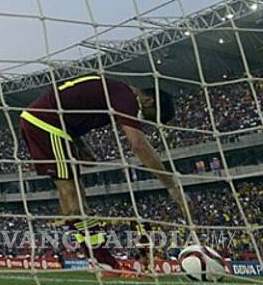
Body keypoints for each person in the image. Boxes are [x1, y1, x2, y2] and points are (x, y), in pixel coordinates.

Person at [18, 75, 184, 274]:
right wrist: (172, 186)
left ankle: (99, 259)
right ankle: (102, 261)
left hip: (46, 123)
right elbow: (138, 145)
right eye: (145, 114)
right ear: (148, 100)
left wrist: (81, 146)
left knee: (74, 193)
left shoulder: (114, 89)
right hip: (46, 123)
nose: (139, 117)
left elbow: (70, 105)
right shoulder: (126, 97)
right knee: (71, 193)